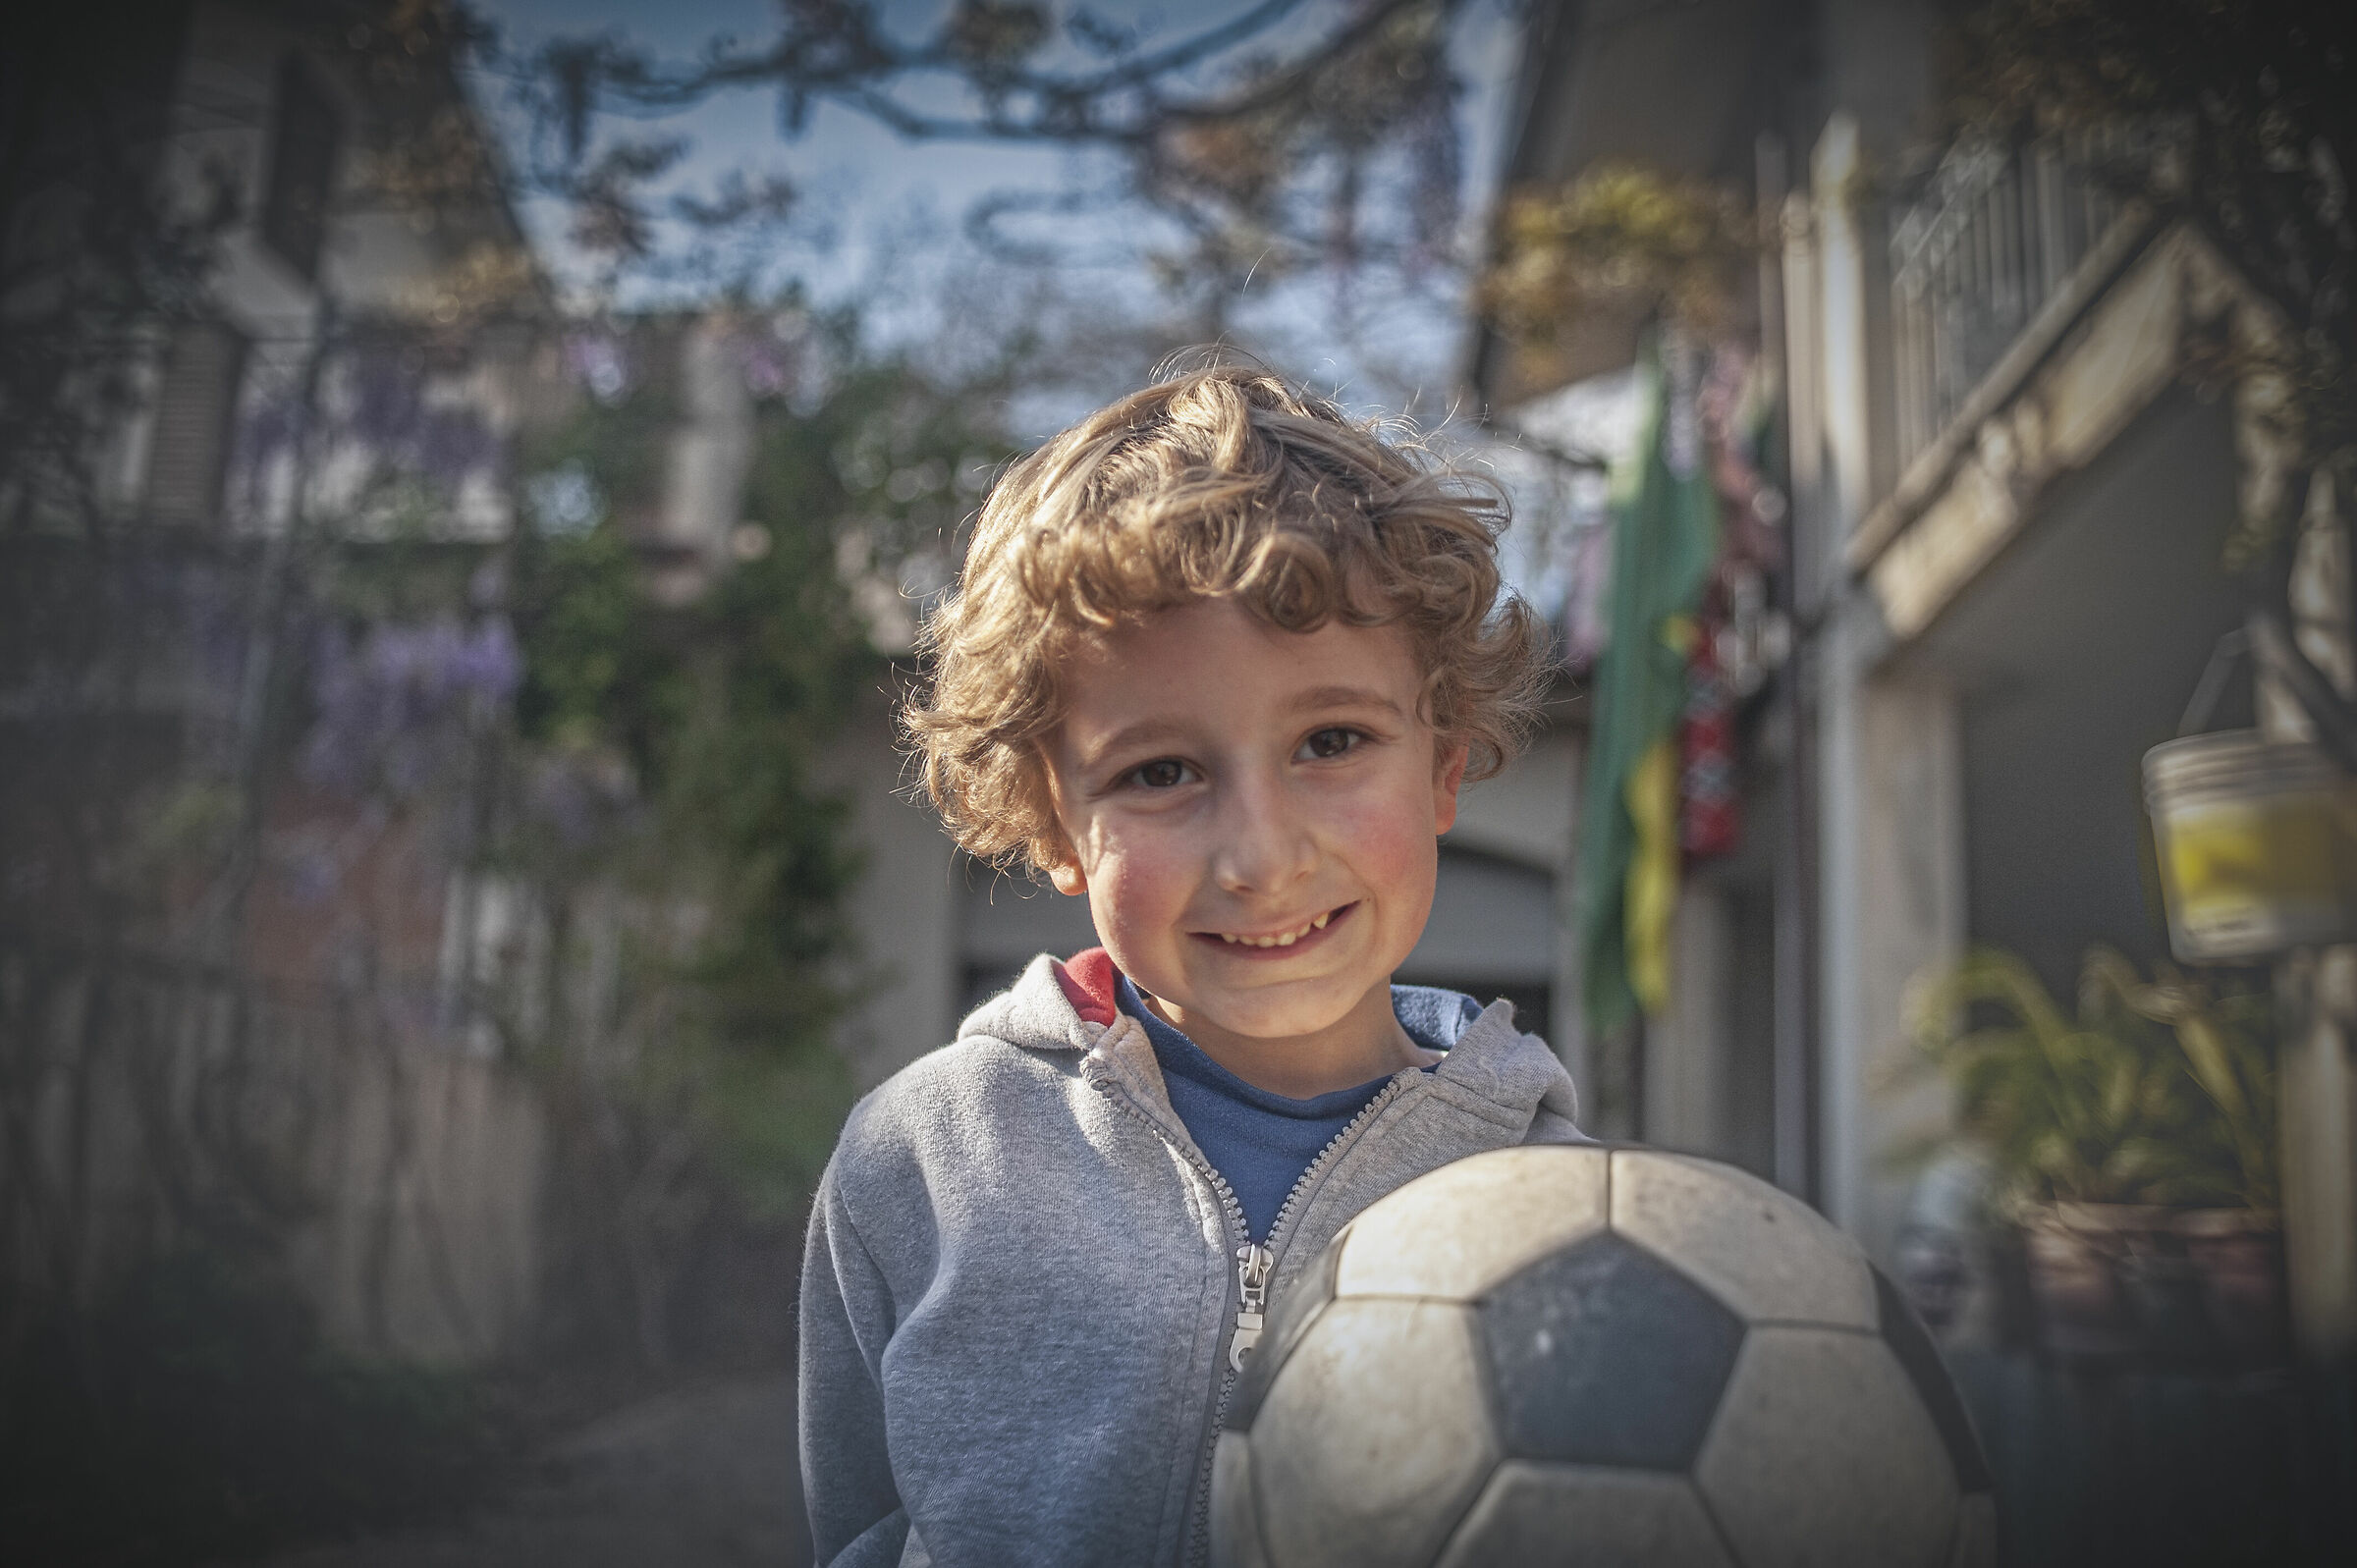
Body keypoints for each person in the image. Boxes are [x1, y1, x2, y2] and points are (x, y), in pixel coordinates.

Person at [799, 361, 1588, 1567]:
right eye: (1160, 771)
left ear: (1444, 765)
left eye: (1331, 740)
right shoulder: (923, 1157)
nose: (1262, 858)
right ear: (1054, 824)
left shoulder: (1560, 1207)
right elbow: (852, 1529)